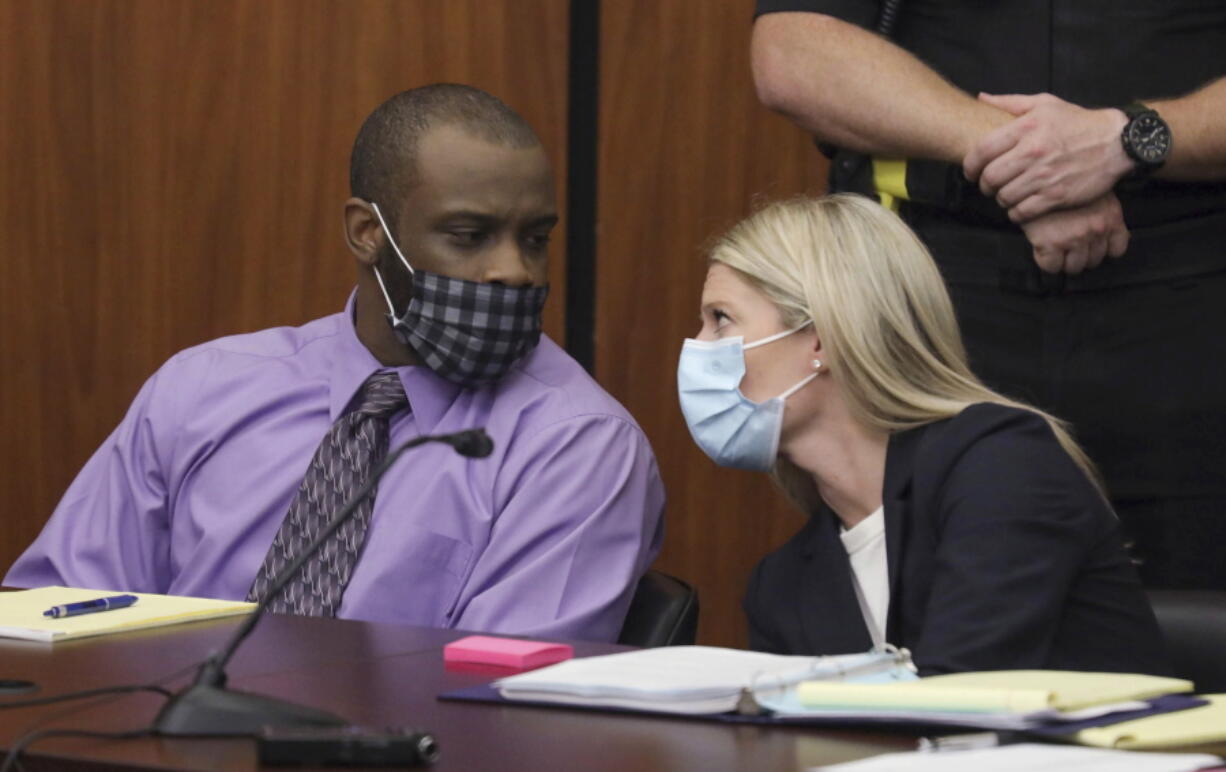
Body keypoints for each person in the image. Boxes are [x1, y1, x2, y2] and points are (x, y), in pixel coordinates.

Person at [6, 84, 665, 642]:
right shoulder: (202, 389)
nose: (514, 273)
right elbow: (46, 623)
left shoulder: (576, 443)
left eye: (535, 239)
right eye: (470, 236)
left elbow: (496, 704)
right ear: (367, 232)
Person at [750, 1, 1226, 589]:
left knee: (1194, 618)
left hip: (1190, 302)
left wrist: (1126, 141)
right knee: (924, 615)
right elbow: (794, 54)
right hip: (932, 300)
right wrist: (1037, 161)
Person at [678, 194, 1169, 675]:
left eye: (721, 319)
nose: (697, 348)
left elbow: (963, 704)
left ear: (822, 337)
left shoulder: (1001, 468)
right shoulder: (780, 586)